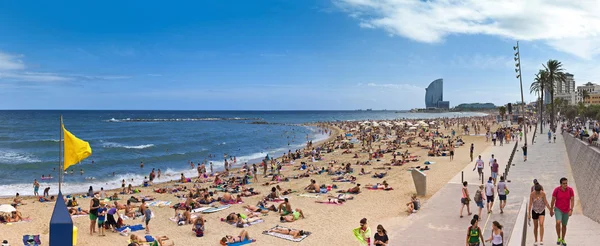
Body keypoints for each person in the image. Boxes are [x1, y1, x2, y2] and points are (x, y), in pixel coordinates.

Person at [550, 177, 575, 246]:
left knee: (564, 225)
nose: (565, 185)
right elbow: (553, 200)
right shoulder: (556, 190)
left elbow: (572, 200)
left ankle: (563, 239)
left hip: (566, 210)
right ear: (561, 184)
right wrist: (551, 210)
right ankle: (558, 237)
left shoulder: (570, 190)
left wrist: (571, 209)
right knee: (558, 222)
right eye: (564, 183)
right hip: (558, 209)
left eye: (566, 183)